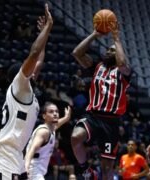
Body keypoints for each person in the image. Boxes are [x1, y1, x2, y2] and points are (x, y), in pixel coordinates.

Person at [0, 4, 53, 180]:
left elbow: (39, 62)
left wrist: (44, 34)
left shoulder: (27, 89)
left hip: (16, 152)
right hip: (4, 152)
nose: (35, 70)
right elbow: (34, 54)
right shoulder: (20, 84)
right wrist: (47, 28)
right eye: (30, 70)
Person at [70, 21, 131, 179]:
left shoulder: (124, 73)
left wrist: (116, 39)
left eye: (113, 50)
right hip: (93, 116)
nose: (108, 52)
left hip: (111, 123)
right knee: (76, 137)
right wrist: (95, 34)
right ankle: (86, 169)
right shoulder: (97, 66)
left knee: (107, 169)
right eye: (108, 49)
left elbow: (123, 62)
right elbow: (77, 53)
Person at [24, 102, 72, 180]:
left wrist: (66, 117)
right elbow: (31, 150)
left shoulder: (52, 128)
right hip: (33, 169)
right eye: (51, 112)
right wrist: (26, 165)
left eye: (56, 111)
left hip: (39, 170)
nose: (55, 114)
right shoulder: (43, 132)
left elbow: (57, 124)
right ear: (44, 116)